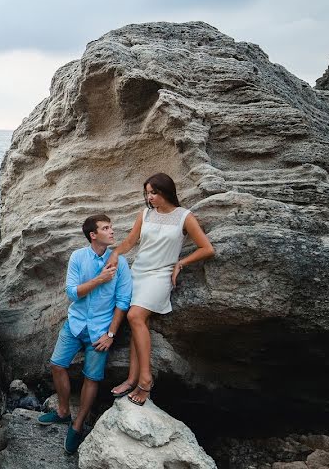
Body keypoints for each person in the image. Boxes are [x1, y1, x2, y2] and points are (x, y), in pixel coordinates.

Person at [106, 173, 215, 405]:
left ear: (166, 192)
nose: (150, 197)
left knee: (135, 316)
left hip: (160, 275)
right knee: (138, 323)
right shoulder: (144, 214)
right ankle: (132, 379)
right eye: (147, 193)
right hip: (139, 273)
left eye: (154, 193)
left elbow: (207, 248)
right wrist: (115, 253)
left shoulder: (184, 217)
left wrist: (181, 263)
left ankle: (146, 380)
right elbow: (129, 242)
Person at [38, 214, 132, 454]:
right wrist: (99, 279)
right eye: (106, 228)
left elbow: (123, 301)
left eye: (111, 227)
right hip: (75, 324)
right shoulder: (78, 257)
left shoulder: (120, 262)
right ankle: (62, 412)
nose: (112, 232)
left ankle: (78, 425)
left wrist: (110, 334)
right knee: (57, 365)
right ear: (93, 235)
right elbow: (71, 293)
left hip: (101, 330)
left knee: (92, 377)